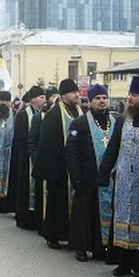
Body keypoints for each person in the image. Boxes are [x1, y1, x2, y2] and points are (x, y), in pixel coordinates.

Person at [96, 76, 139, 277]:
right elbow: (113, 147)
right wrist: (103, 173)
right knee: (122, 217)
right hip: (124, 179)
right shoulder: (123, 119)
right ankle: (123, 262)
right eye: (130, 95)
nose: (130, 99)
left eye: (134, 95)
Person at [66, 85, 117, 262]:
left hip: (110, 179)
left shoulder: (115, 122)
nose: (102, 101)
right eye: (98, 98)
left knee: (103, 214)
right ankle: (81, 247)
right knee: (84, 214)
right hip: (86, 178)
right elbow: (71, 153)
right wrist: (76, 177)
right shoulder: (79, 123)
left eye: (104, 97)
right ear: (90, 101)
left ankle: (100, 248)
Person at [34, 79, 82, 249]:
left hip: (76, 169)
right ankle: (53, 236)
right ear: (63, 95)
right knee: (56, 203)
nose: (77, 94)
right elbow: (47, 144)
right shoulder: (54, 114)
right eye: (73, 92)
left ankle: (70, 235)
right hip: (59, 169)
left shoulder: (80, 111)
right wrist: (54, 169)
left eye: (77, 91)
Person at [14, 86, 45, 230]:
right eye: (41, 97)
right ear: (33, 99)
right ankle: (23, 218)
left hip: (37, 155)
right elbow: (19, 136)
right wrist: (34, 135)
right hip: (25, 157)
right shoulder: (22, 115)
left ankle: (36, 218)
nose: (43, 100)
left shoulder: (43, 114)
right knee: (25, 187)